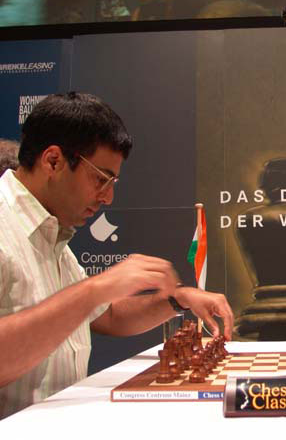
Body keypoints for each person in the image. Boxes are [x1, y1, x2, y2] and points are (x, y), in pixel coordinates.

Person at [0, 92, 234, 419]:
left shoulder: (51, 235)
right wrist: (93, 289)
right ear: (53, 161)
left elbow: (107, 316)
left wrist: (176, 300)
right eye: (100, 178)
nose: (108, 197)